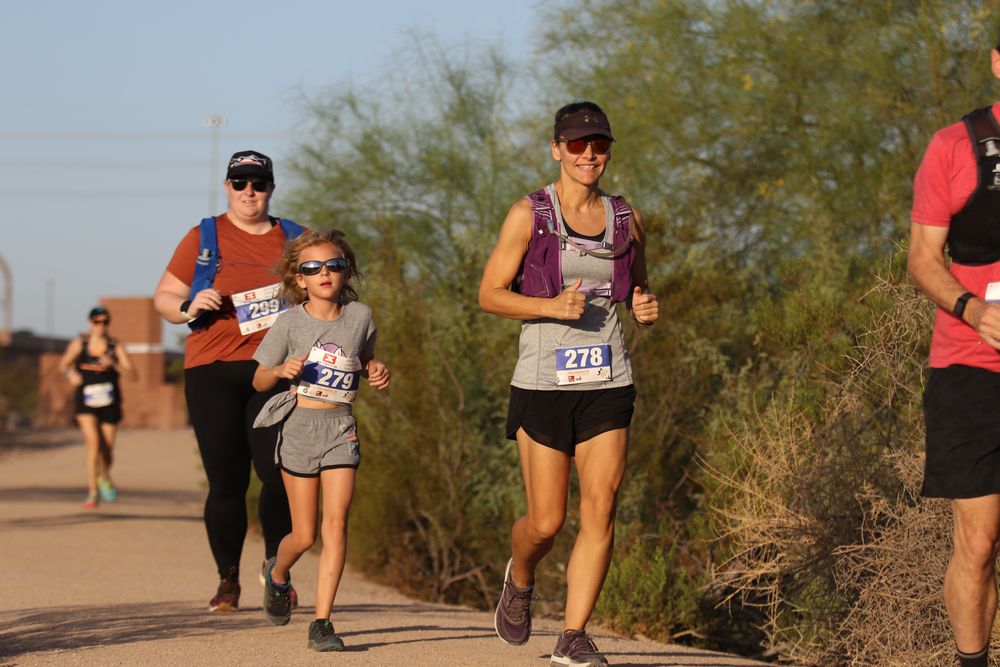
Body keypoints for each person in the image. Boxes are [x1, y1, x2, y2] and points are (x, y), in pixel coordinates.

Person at [478, 101, 659, 667]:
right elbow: (489, 294)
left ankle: (573, 636)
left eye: (598, 145)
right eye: (577, 145)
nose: (588, 155)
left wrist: (644, 304)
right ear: (557, 149)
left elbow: (638, 286)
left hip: (608, 378)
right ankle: (522, 575)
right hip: (541, 383)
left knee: (601, 509)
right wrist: (550, 306)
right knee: (547, 521)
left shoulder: (626, 219)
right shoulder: (529, 214)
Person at [153, 150, 303, 612]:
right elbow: (164, 297)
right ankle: (227, 580)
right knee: (226, 483)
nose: (249, 192)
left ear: (272, 187)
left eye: (258, 182)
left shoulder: (295, 238)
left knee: (279, 476)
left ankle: (276, 571)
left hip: (276, 371)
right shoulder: (203, 236)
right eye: (240, 183)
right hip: (212, 370)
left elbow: (324, 289)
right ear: (227, 187)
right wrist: (189, 306)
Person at [251, 229, 389, 651]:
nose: (324, 273)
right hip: (298, 428)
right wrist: (280, 371)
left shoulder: (361, 316)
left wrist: (377, 370)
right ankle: (278, 573)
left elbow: (364, 360)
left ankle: (322, 622)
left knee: (336, 524)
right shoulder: (289, 322)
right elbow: (259, 379)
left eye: (334, 265)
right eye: (312, 268)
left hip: (340, 428)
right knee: (305, 534)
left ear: (347, 272)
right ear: (299, 280)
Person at [908, 41, 1000, 667]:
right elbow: (923, 259)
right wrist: (974, 309)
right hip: (971, 365)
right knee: (979, 541)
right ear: (998, 62)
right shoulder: (955, 146)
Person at [58, 306, 136, 509]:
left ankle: (104, 476)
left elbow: (133, 375)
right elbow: (63, 364)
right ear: (89, 323)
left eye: (104, 322)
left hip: (110, 403)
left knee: (107, 449)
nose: (100, 326)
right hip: (86, 403)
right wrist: (70, 375)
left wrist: (114, 364)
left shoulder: (114, 346)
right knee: (93, 444)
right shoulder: (80, 344)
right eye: (96, 322)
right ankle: (92, 492)